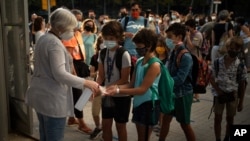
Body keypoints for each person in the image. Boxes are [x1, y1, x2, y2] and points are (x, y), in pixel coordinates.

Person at [25, 8, 100, 141]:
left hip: (41, 96)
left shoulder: (44, 38)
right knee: (54, 136)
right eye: (71, 28)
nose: (73, 31)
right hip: (52, 100)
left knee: (45, 135)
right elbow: (60, 74)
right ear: (60, 27)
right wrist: (86, 82)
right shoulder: (54, 44)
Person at [105, 28, 161, 141]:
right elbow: (131, 84)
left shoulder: (154, 65)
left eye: (139, 46)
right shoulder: (140, 61)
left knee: (143, 138)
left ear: (149, 45)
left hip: (149, 105)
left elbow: (141, 89)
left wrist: (118, 91)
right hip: (138, 104)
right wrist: (114, 87)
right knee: (140, 137)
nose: (137, 49)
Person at [159, 23, 196, 141]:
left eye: (170, 36)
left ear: (179, 37)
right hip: (172, 93)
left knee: (185, 124)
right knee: (165, 120)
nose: (167, 39)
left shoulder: (185, 56)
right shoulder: (173, 52)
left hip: (183, 94)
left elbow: (180, 79)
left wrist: (164, 82)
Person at [96, 21, 132, 141]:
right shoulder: (102, 53)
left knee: (120, 126)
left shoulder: (124, 54)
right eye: (105, 38)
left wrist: (107, 88)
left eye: (111, 38)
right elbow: (101, 75)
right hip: (107, 95)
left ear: (118, 38)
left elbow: (124, 79)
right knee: (106, 125)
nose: (107, 41)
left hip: (121, 95)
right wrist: (95, 86)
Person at [210, 36, 247, 141]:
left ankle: (227, 137)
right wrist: (218, 90)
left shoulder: (240, 65)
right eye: (231, 48)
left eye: (236, 49)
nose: (233, 51)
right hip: (219, 95)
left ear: (239, 50)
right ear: (227, 47)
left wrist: (241, 102)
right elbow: (211, 78)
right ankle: (218, 139)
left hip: (232, 95)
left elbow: (242, 84)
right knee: (217, 118)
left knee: (230, 119)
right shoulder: (218, 62)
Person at [62, 9, 92, 134]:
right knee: (78, 94)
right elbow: (69, 56)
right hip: (73, 65)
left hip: (80, 64)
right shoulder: (68, 34)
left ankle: (72, 118)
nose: (79, 22)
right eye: (76, 19)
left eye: (80, 19)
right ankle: (81, 122)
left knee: (75, 93)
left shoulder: (77, 33)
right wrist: (73, 73)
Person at [185, 19, 204, 103]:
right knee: (191, 76)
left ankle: (196, 96)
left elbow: (192, 46)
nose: (187, 30)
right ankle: (192, 94)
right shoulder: (188, 34)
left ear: (193, 27)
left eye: (188, 28)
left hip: (196, 58)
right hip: (189, 57)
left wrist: (188, 37)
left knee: (195, 77)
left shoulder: (198, 35)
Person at [89, 35, 104, 140]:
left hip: (108, 87)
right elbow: (92, 74)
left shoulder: (114, 55)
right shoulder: (95, 57)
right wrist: (99, 73)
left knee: (107, 112)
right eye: (102, 41)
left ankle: (104, 128)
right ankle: (98, 126)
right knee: (95, 111)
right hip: (97, 87)